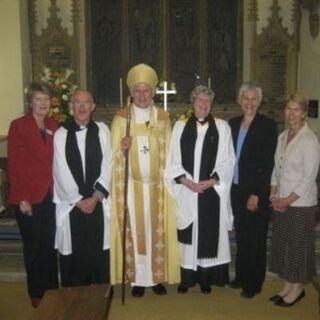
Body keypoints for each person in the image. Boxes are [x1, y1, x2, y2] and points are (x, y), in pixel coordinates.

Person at [110, 63, 180, 297]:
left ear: (153, 92)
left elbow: (171, 152)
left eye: (146, 90)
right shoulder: (121, 119)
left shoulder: (162, 118)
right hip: (132, 187)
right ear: (131, 93)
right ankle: (138, 280)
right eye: (137, 91)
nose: (142, 95)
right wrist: (122, 148)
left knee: (155, 233)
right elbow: (112, 156)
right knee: (137, 234)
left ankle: (155, 278)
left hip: (157, 188)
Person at [164, 85, 235, 294]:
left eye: (207, 101)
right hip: (187, 190)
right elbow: (173, 159)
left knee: (207, 231)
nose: (204, 105)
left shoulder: (222, 127)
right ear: (192, 103)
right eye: (200, 100)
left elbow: (228, 161)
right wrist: (185, 182)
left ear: (211, 105)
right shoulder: (180, 126)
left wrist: (211, 181)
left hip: (210, 192)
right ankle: (187, 278)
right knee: (189, 233)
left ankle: (205, 278)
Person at [7, 83, 59, 307]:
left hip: (51, 196)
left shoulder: (54, 125)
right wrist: (22, 198)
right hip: (29, 198)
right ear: (30, 102)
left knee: (49, 245)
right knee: (34, 248)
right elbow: (15, 164)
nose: (43, 103)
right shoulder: (19, 126)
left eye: (46, 99)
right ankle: (37, 294)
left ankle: (51, 290)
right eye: (38, 99)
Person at [53, 90, 112, 287]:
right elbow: (60, 170)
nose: (82, 107)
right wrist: (78, 200)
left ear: (93, 106)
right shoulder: (61, 135)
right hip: (73, 206)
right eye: (77, 102)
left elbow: (108, 164)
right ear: (71, 106)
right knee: (75, 253)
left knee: (98, 250)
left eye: (86, 103)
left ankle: (99, 294)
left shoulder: (102, 130)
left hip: (98, 202)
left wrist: (96, 197)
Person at [269, 93, 320, 307]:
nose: (291, 114)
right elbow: (276, 168)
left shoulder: (309, 140)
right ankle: (289, 285)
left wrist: (286, 200)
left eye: (296, 110)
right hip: (281, 200)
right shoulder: (283, 136)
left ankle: (297, 288)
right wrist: (273, 194)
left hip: (300, 204)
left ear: (304, 113)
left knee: (298, 246)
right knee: (285, 245)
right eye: (288, 109)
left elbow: (309, 178)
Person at [229, 81, 277, 298]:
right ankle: (240, 276)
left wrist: (257, 193)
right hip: (236, 190)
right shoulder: (232, 124)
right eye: (245, 98)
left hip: (254, 192)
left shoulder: (267, 125)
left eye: (253, 99)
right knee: (241, 235)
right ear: (240, 101)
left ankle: (253, 283)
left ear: (259, 102)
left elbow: (267, 164)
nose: (249, 103)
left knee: (255, 238)